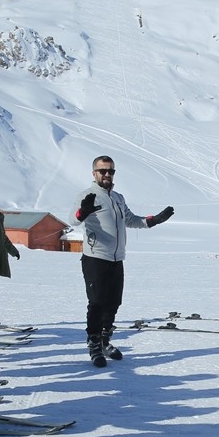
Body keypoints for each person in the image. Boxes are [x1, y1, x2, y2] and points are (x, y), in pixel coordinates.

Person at [69, 155, 174, 367]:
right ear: (94, 173)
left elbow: (131, 220)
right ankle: (94, 344)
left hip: (117, 259)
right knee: (97, 303)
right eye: (103, 171)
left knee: (113, 303)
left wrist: (154, 220)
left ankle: (105, 341)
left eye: (111, 171)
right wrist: (84, 211)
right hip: (95, 258)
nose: (107, 174)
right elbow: (73, 219)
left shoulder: (118, 198)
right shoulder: (87, 196)